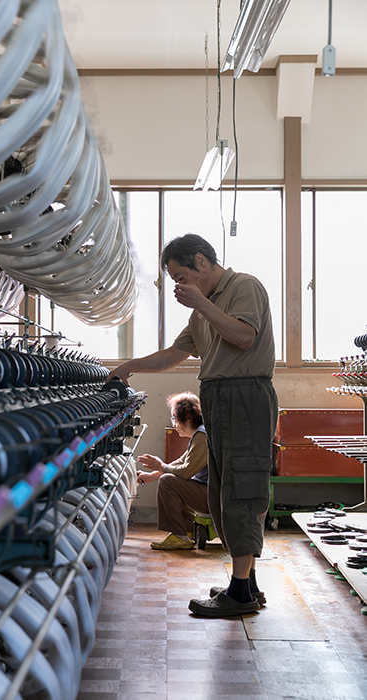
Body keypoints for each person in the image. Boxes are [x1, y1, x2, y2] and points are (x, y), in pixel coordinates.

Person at [108, 233, 278, 618]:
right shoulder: (202, 309)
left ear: (202, 262)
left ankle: (239, 595)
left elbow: (244, 337)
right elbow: (175, 354)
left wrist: (200, 302)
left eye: (181, 276)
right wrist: (129, 366)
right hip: (217, 395)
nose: (179, 286)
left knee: (242, 489)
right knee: (221, 490)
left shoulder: (244, 286)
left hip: (245, 395)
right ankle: (245, 584)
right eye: (173, 280)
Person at [137, 392, 209, 551]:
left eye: (175, 419)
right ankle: (187, 531)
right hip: (208, 492)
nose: (174, 424)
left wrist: (160, 467)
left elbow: (185, 472)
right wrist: (151, 476)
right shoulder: (200, 435)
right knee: (168, 479)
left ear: (188, 418)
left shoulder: (203, 436)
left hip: (212, 496)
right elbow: (180, 463)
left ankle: (180, 536)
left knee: (168, 482)